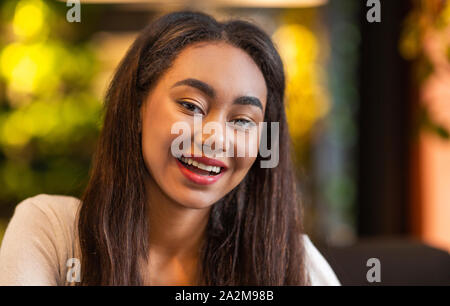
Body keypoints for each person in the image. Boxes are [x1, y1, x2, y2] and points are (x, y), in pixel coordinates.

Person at [0, 11, 340, 286]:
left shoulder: (289, 258)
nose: (215, 138)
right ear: (136, 109)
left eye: (242, 120)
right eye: (191, 106)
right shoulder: (53, 233)